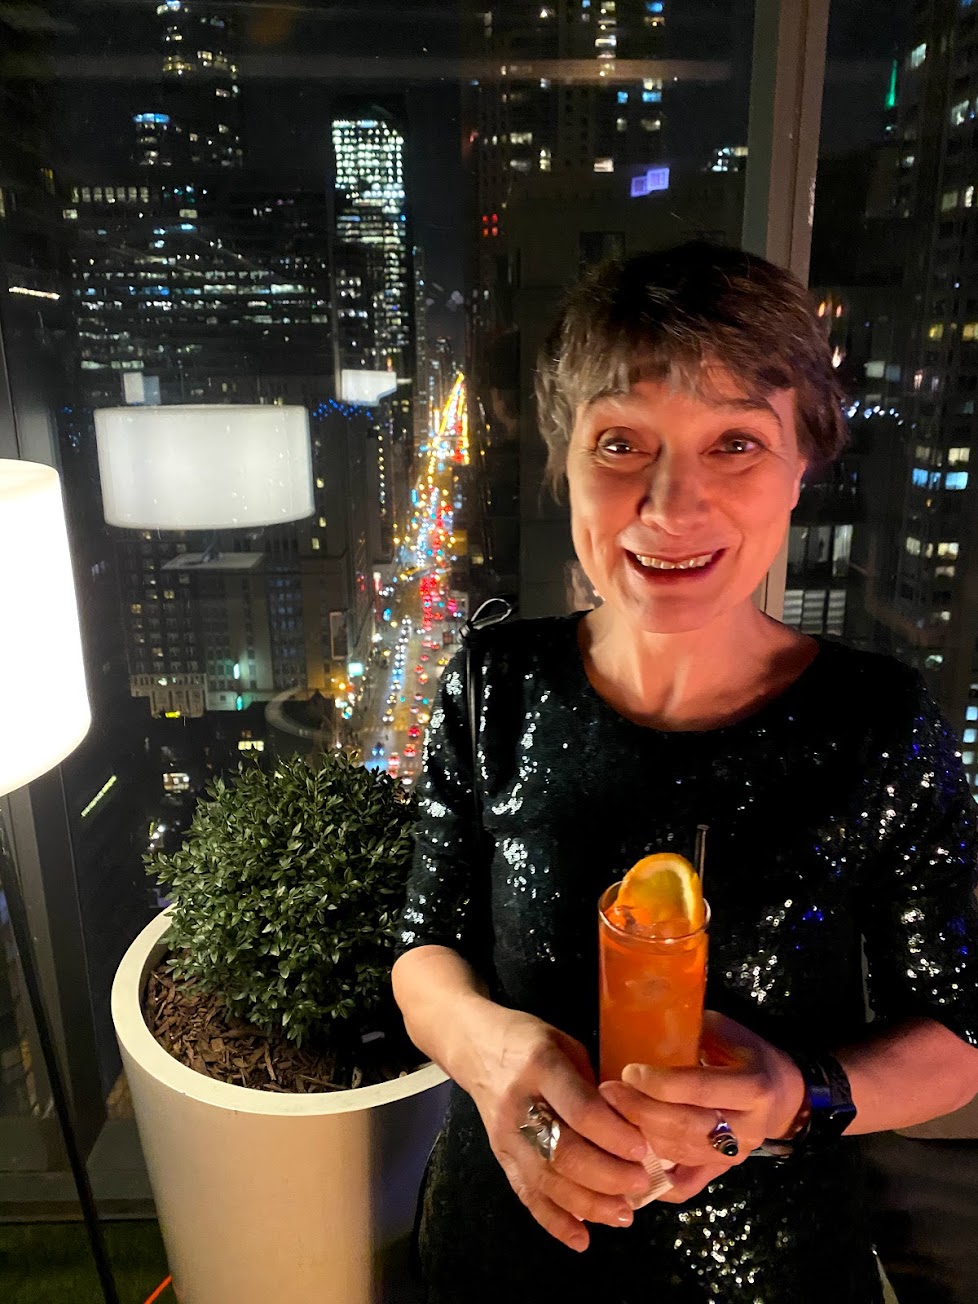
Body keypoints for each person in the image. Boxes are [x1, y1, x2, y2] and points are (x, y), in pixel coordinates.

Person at [391, 241, 978, 1303]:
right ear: (566, 463)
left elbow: (963, 1026)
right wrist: (492, 1054)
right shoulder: (494, 681)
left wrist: (799, 1092)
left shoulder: (877, 723)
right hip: (501, 1248)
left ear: (803, 463)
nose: (671, 505)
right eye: (621, 443)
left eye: (736, 443)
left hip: (776, 1269)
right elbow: (424, 944)